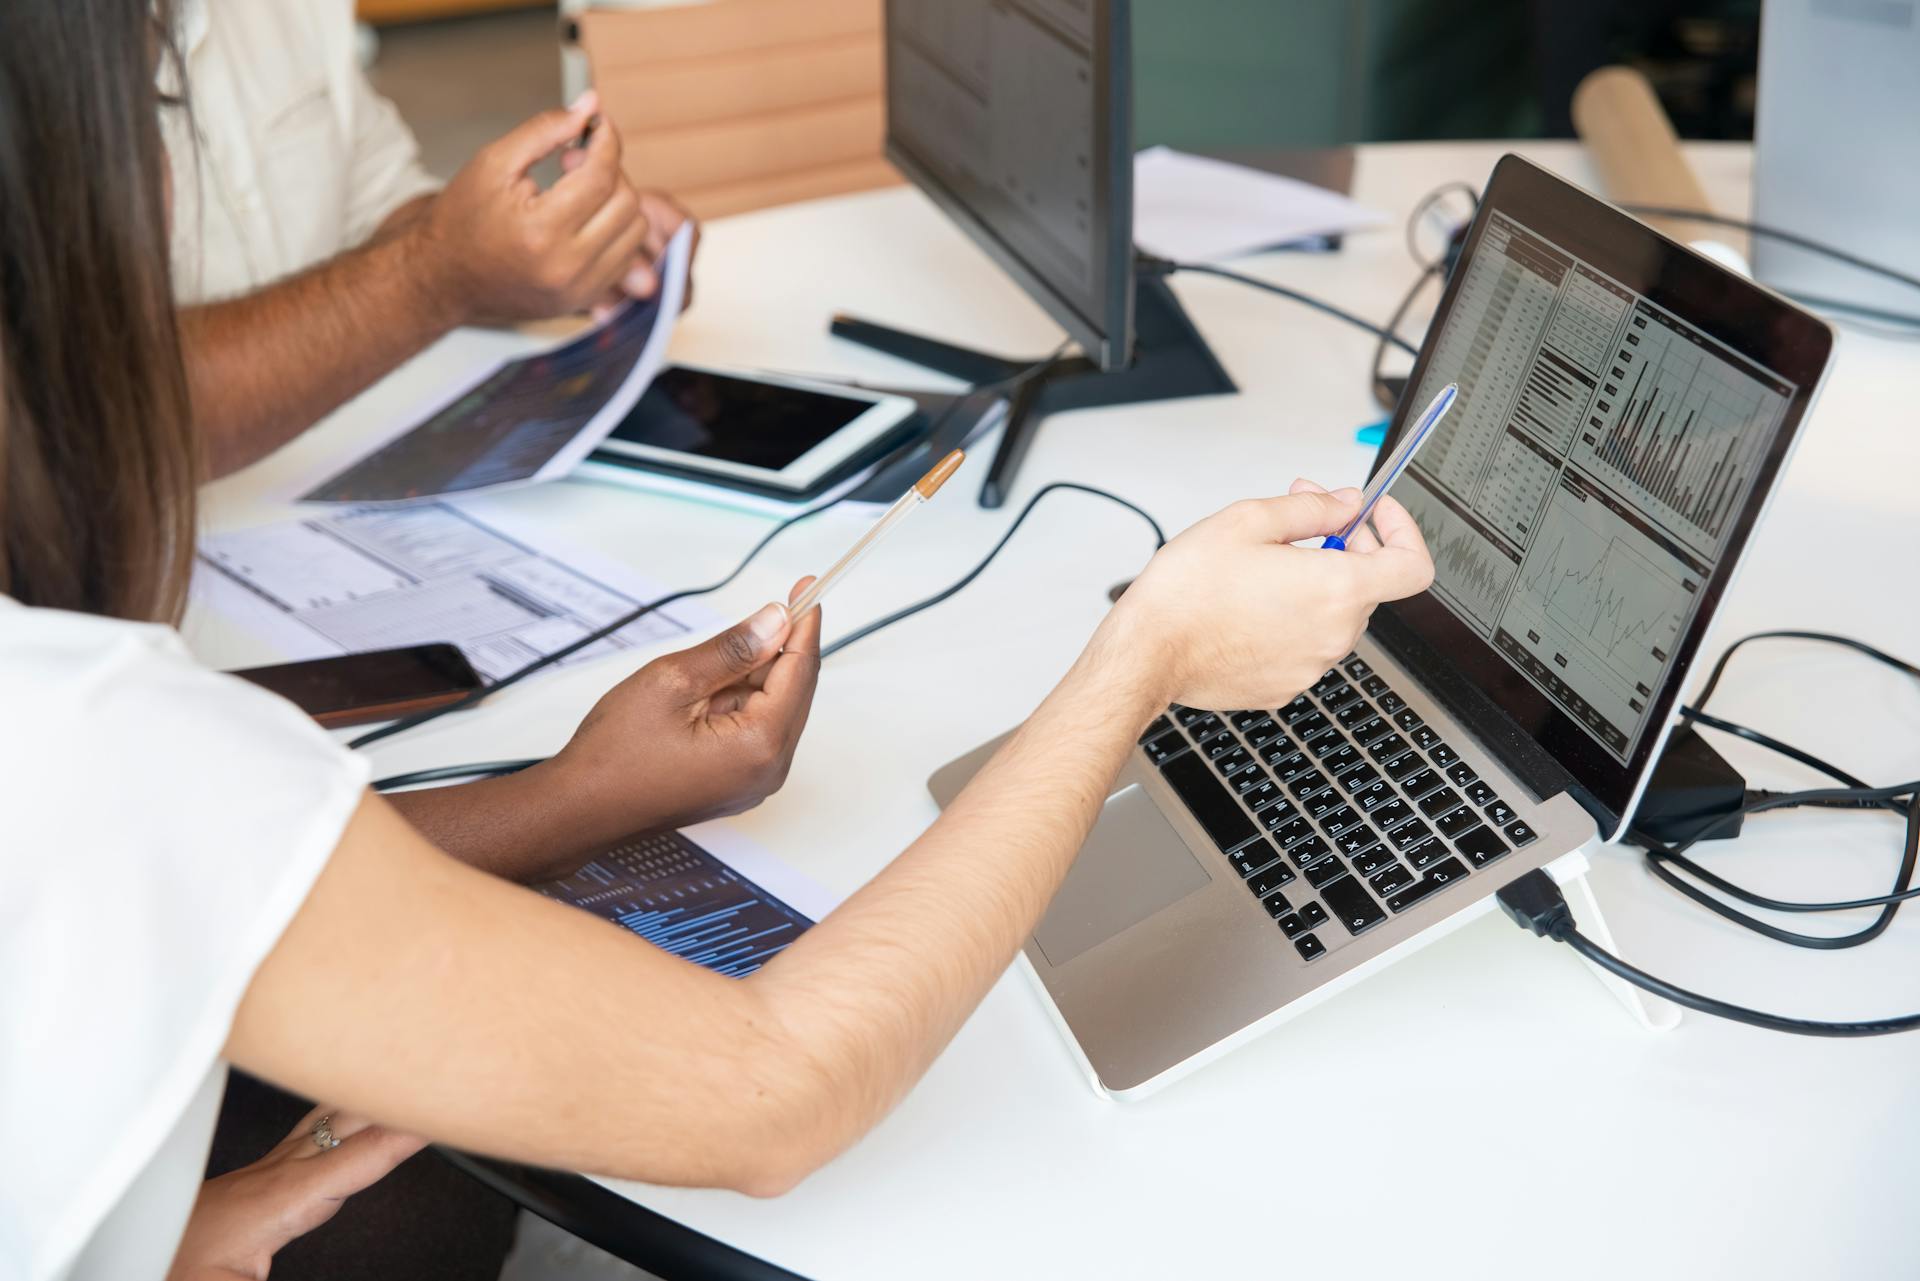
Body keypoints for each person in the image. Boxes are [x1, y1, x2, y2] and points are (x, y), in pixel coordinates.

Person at [0, 4, 1436, 1280]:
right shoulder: (94, 740)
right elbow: (774, 1092)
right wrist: (1146, 658)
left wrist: (580, 799)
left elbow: (192, 895)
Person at [164, 0, 691, 477]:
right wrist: (436, 275)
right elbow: (125, 405)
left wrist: (547, 245)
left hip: (327, 464)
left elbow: (380, 206)